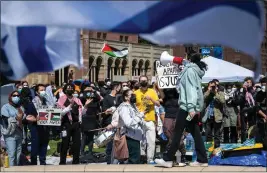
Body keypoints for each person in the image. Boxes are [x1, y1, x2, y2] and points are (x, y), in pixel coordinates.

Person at [155, 53, 208, 168]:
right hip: (190, 107)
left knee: (177, 133)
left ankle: (168, 159)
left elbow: (190, 90)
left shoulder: (189, 71)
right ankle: (202, 159)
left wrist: (190, 107)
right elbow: (184, 63)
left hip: (186, 107)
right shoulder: (195, 69)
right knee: (195, 133)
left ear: (190, 60)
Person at [134, 75, 160, 164]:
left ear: (148, 81)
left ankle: (150, 159)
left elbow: (158, 104)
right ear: (139, 82)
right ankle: (142, 157)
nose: (143, 82)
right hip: (140, 121)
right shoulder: (135, 93)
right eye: (142, 80)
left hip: (150, 120)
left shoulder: (152, 91)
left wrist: (151, 99)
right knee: (141, 142)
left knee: (151, 141)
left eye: (145, 80)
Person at [116, 89, 145, 164]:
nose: (134, 96)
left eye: (134, 95)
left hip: (135, 137)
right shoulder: (124, 107)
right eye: (131, 95)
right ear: (126, 97)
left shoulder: (132, 106)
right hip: (130, 137)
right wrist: (140, 116)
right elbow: (128, 122)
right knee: (133, 162)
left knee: (136, 160)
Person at [57, 83, 83, 165]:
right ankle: (62, 162)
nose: (70, 89)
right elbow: (61, 112)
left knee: (77, 144)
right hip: (66, 123)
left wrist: (85, 107)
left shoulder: (77, 99)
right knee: (65, 143)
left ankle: (76, 161)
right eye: (68, 88)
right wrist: (69, 106)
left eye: (71, 88)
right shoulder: (61, 99)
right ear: (65, 89)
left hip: (76, 124)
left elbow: (81, 111)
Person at [0, 91, 24, 166]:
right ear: (10, 97)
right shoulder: (5, 107)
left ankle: (16, 169)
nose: (16, 97)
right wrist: (17, 118)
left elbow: (24, 118)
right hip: (10, 134)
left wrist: (21, 118)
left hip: (19, 133)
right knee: (11, 153)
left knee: (18, 154)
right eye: (14, 95)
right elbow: (5, 119)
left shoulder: (20, 107)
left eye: (18, 95)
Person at [20, 87, 41, 165]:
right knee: (30, 143)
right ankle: (30, 161)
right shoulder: (29, 101)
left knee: (24, 142)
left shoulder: (23, 101)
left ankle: (24, 159)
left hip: (25, 123)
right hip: (29, 123)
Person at [102, 81, 121, 164]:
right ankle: (109, 162)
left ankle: (118, 161)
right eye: (120, 87)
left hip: (119, 123)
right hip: (109, 123)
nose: (121, 88)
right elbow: (104, 111)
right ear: (115, 87)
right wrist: (111, 110)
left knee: (118, 144)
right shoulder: (107, 98)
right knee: (110, 145)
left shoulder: (120, 97)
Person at [204, 80, 225, 148]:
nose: (212, 87)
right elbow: (203, 99)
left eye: (214, 86)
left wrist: (216, 93)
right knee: (208, 134)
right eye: (211, 86)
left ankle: (216, 149)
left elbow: (222, 101)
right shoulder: (207, 92)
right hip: (208, 116)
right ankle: (209, 149)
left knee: (217, 134)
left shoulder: (220, 93)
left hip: (217, 116)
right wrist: (208, 91)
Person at [80, 88, 101, 157]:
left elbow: (99, 98)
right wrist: (85, 90)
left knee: (91, 136)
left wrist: (94, 90)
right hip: (85, 117)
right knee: (84, 136)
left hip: (92, 117)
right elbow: (81, 99)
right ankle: (82, 151)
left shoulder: (95, 97)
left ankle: (90, 151)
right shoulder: (83, 96)